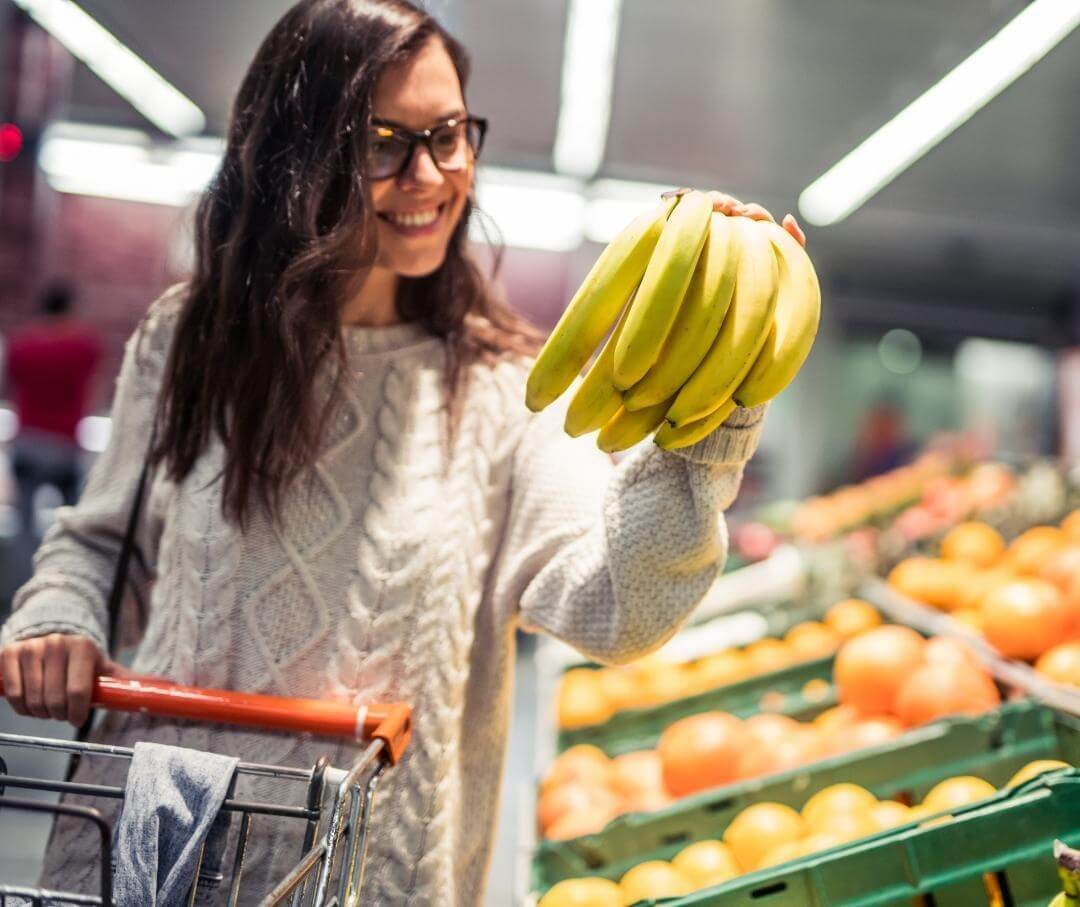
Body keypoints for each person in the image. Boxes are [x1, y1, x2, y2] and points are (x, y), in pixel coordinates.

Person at [0, 1, 804, 902]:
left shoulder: (511, 390)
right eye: (383, 142)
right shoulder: (191, 341)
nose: (430, 175)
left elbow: (617, 608)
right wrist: (53, 618)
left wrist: (714, 422)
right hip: (152, 863)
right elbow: (97, 540)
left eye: (450, 135)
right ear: (295, 156)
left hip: (369, 882)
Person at [2, 283, 101, 603]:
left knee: (24, 527)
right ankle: (67, 590)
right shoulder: (83, 346)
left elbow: (13, 385)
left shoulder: (21, 345)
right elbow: (93, 383)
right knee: (74, 525)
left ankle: (20, 591)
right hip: (65, 445)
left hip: (29, 441)